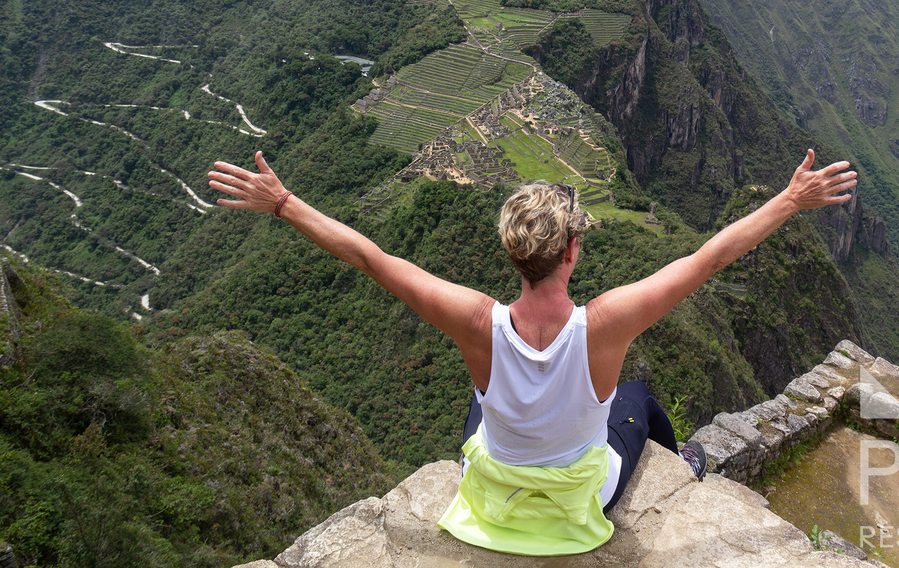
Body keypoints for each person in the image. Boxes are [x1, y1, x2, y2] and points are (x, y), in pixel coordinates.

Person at [207, 148, 856, 555]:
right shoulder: (605, 325)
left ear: (513, 254)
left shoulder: (475, 323)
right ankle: (683, 458)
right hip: (579, 507)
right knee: (636, 399)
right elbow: (710, 256)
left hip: (494, 499)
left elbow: (371, 257)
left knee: (481, 392)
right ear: (573, 250)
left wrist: (285, 203)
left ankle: (522, 440)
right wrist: (792, 198)